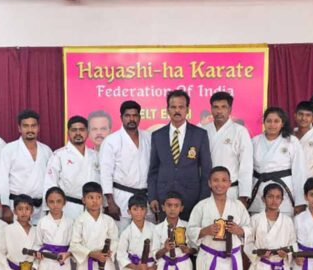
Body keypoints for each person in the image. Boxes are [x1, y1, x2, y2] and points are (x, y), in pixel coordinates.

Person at [149, 90, 213, 221]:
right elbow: (153, 170)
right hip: (164, 200)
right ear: (167, 110)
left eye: (181, 107)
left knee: (190, 239)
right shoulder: (157, 135)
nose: (177, 110)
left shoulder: (199, 134)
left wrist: (203, 201)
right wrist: (153, 196)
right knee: (166, 238)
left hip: (191, 199)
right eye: (173, 107)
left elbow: (206, 170)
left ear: (187, 109)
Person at [100, 101, 152, 231]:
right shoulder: (111, 141)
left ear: (139, 117)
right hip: (121, 198)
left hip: (145, 196)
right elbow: (106, 173)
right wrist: (110, 202)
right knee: (122, 237)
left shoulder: (148, 137)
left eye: (135, 115)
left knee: (146, 236)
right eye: (127, 115)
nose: (131, 119)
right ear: (121, 118)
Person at [0, 110, 53, 224]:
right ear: (19, 128)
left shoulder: (46, 151)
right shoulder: (9, 150)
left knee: (37, 239)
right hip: (16, 206)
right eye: (26, 126)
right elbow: (2, 180)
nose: (30, 130)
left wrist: (49, 205)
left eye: (33, 126)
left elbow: (51, 180)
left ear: (38, 128)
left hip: (40, 207)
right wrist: (5, 206)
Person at [249, 107, 307, 217]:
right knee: (258, 225)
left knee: (284, 227)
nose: (272, 125)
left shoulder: (291, 141)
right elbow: (247, 171)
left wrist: (300, 202)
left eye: (276, 121)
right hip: (259, 190)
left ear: (282, 123)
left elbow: (300, 172)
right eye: (269, 121)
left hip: (284, 191)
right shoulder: (254, 142)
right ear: (264, 122)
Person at [45, 116, 101, 221]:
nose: (78, 133)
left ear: (87, 132)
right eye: (74, 130)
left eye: (82, 130)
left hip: (94, 208)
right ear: (68, 133)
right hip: (69, 207)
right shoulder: (59, 155)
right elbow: (50, 184)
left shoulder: (96, 156)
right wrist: (51, 209)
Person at [201, 92, 254, 204]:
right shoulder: (203, 131)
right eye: (215, 107)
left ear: (230, 110)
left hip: (231, 190)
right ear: (211, 109)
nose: (219, 111)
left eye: (223, 107)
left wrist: (244, 194)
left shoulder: (240, 131)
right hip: (206, 190)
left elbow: (246, 165)